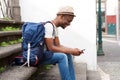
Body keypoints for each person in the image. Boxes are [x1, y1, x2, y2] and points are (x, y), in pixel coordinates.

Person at [42, 6, 84, 80]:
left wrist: (73, 50)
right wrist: (72, 51)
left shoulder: (54, 27)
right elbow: (51, 48)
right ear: (61, 16)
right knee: (62, 57)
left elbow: (58, 46)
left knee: (68, 55)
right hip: (37, 57)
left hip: (45, 54)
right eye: (68, 21)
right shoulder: (49, 26)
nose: (69, 24)